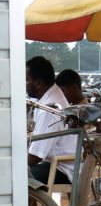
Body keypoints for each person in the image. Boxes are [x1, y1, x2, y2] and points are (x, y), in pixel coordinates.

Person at [27, 56, 76, 185]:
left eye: (27, 80)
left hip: (61, 168)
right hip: (54, 161)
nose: (24, 84)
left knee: (17, 176)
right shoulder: (48, 97)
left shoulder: (50, 108)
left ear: (38, 83)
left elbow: (34, 157)